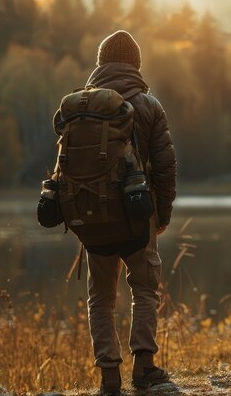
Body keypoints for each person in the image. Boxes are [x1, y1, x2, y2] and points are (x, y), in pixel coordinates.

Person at [84, 30, 176, 396]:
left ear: (101, 63)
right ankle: (144, 367)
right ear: (136, 64)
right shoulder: (149, 105)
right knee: (144, 289)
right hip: (139, 215)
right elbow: (166, 167)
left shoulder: (82, 104)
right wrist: (162, 214)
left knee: (100, 298)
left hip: (92, 216)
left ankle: (109, 378)